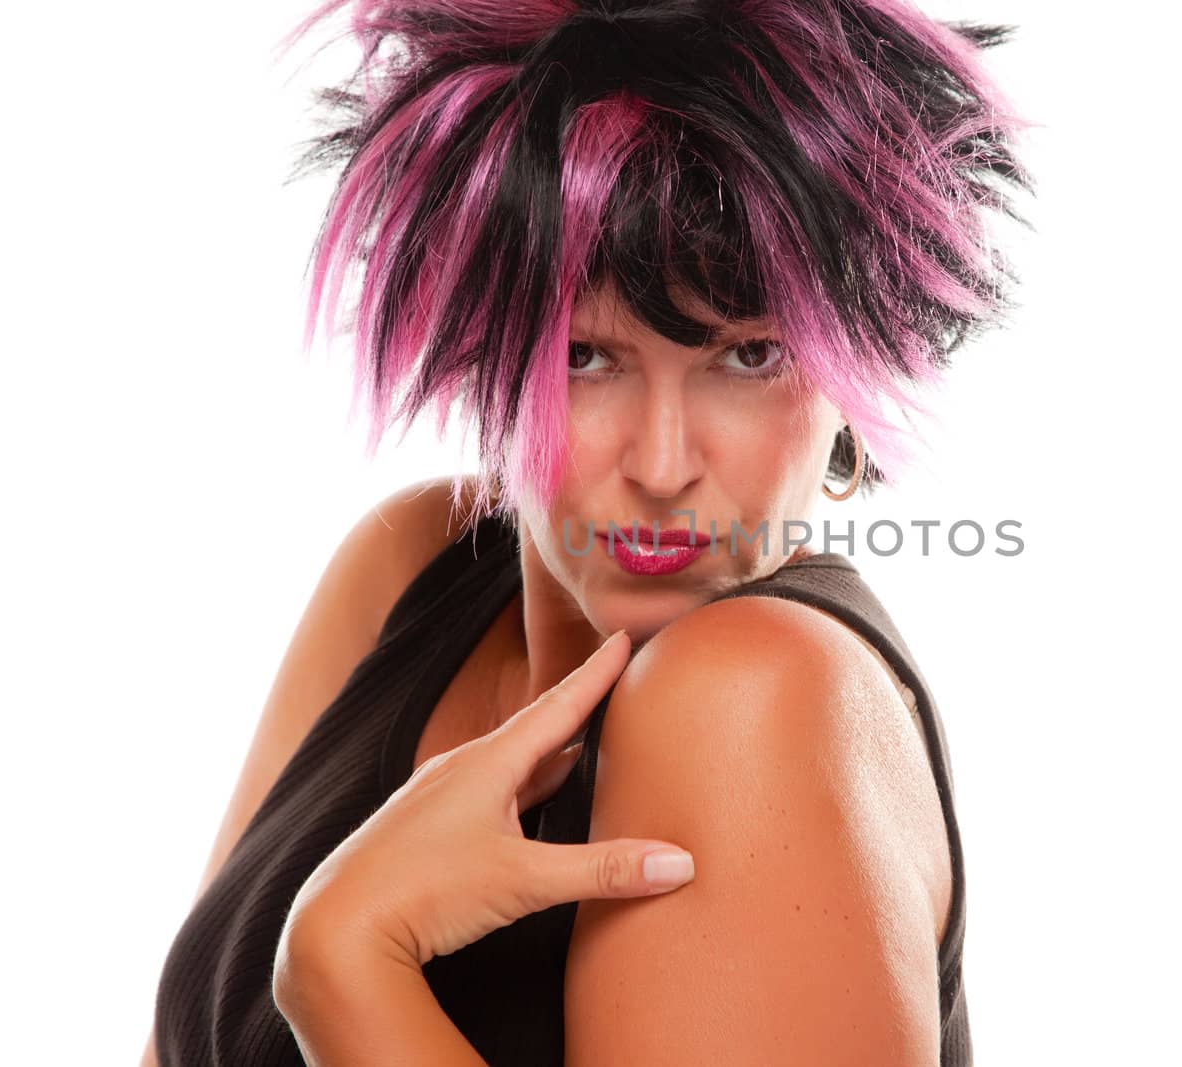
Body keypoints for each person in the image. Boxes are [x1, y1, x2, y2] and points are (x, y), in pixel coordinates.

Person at [143, 0, 1034, 1062]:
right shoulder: (412, 561)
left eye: (748, 356)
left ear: (857, 362)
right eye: (584, 356)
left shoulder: (753, 692)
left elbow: (325, 974)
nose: (662, 466)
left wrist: (346, 970)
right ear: (480, 343)